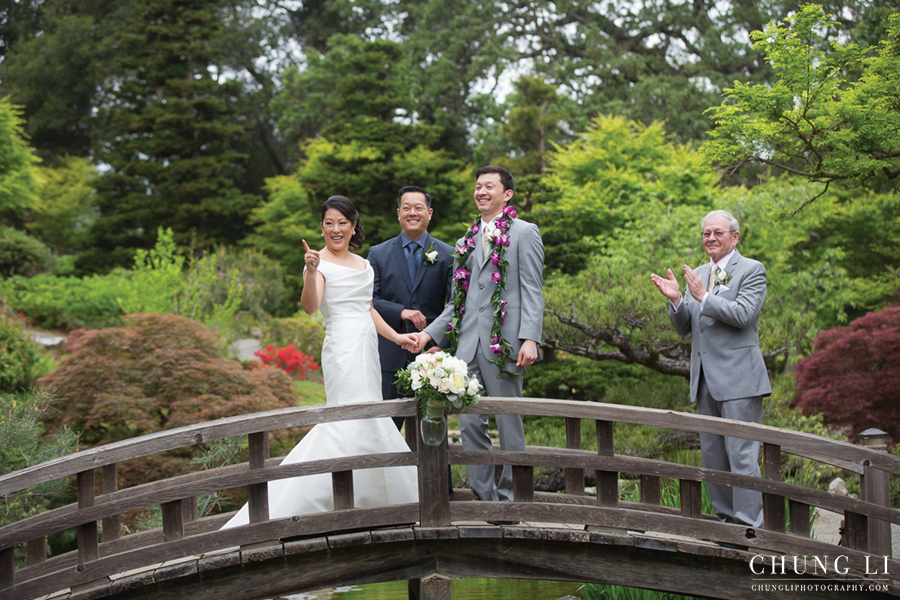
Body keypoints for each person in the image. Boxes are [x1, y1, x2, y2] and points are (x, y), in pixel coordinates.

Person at [223, 196, 420, 528]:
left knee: (371, 410)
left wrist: (398, 338)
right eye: (329, 223)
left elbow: (368, 309)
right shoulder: (318, 263)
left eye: (342, 222)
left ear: (353, 226)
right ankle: (331, 497)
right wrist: (310, 272)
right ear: (322, 228)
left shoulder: (364, 264)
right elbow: (311, 307)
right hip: (342, 348)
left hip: (367, 346)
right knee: (346, 415)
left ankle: (372, 498)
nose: (335, 229)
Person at [413, 166, 544, 502]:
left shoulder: (524, 233)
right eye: (478, 186)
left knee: (508, 422)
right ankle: (484, 497)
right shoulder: (465, 242)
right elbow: (457, 302)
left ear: (507, 194)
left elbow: (532, 289)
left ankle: (513, 499)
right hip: (467, 347)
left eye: (490, 186)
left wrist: (531, 337)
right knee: (470, 425)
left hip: (506, 345)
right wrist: (429, 335)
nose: (482, 191)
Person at [650, 209, 771, 529]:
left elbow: (744, 314)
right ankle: (725, 523)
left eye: (718, 233)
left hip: (740, 379)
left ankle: (748, 527)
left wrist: (702, 296)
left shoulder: (752, 270)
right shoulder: (700, 272)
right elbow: (685, 327)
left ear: (735, 237)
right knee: (713, 457)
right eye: (706, 233)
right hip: (704, 379)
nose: (711, 238)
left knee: (742, 457)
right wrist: (677, 300)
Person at [368, 186, 455, 429]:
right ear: (398, 213)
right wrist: (401, 311)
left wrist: (442, 345)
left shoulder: (448, 255)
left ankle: (433, 470)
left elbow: (455, 306)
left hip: (432, 355)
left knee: (433, 433)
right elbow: (368, 300)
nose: (412, 213)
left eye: (418, 208)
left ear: (430, 213)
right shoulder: (378, 253)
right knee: (386, 431)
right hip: (389, 355)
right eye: (406, 208)